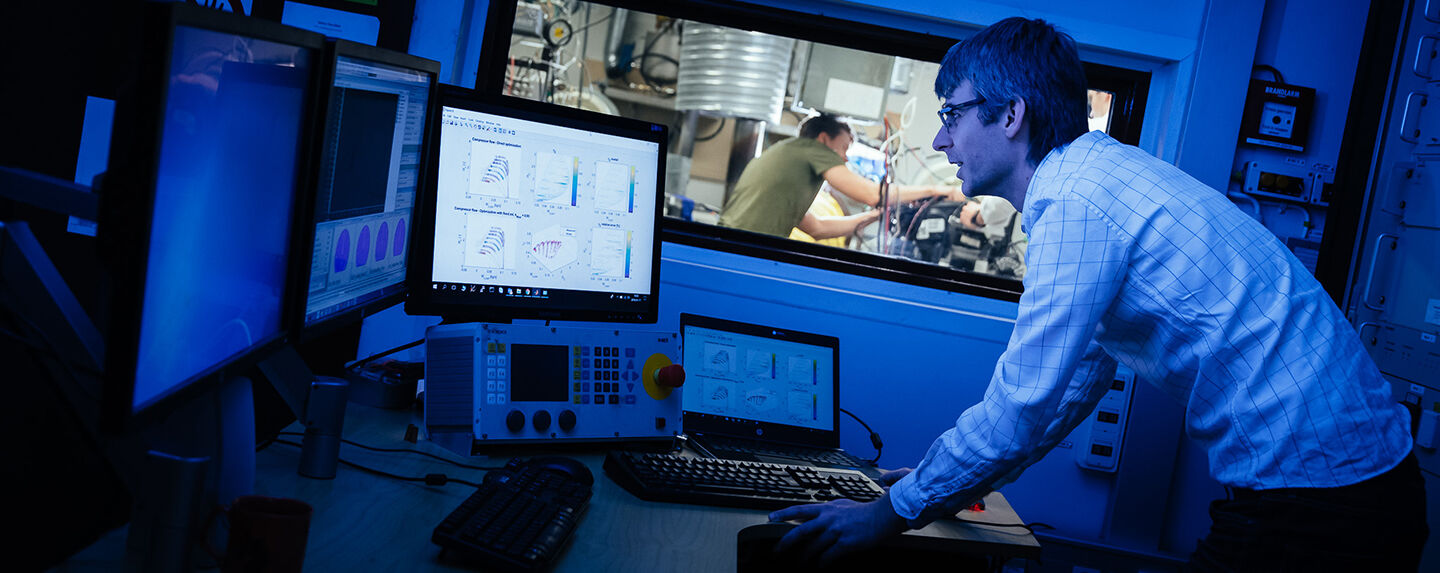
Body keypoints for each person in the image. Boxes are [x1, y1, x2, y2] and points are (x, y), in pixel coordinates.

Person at [768, 17, 1427, 571]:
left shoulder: (1078, 202)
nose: (941, 139)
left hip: (1325, 500)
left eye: (952, 114)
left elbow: (1022, 402)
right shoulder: (1089, 183)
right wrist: (923, 488)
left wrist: (890, 515)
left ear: (1012, 115)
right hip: (1343, 487)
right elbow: (1071, 388)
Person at [719, 113, 957, 239]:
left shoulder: (791, 156)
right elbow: (873, 194)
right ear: (823, 140)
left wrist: (877, 216)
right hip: (741, 245)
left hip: (733, 242)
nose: (844, 158)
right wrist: (937, 190)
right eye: (843, 148)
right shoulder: (812, 150)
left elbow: (818, 228)